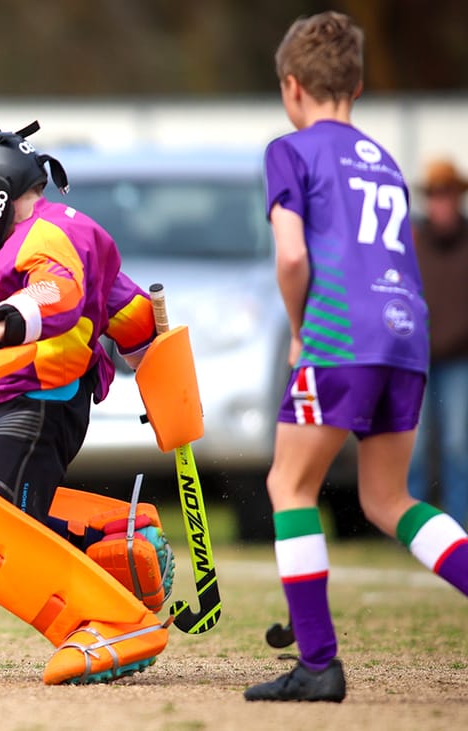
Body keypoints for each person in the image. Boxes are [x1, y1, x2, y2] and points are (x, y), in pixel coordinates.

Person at [0, 121, 175, 685]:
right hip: (34, 403)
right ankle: (121, 542)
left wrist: (0, 329)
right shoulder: (75, 229)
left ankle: (114, 622)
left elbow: (57, 294)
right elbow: (130, 314)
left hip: (40, 402)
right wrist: (157, 363)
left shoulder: (42, 236)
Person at [245, 12, 468, 703]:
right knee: (388, 498)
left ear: (291, 86)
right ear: (359, 86)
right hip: (407, 335)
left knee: (290, 485)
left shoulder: (291, 150)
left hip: (342, 335)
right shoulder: (384, 160)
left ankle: (318, 662)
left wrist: (297, 328)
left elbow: (291, 254)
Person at [408, 159, 468, 527]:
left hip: (460, 359)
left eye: (446, 193)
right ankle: (410, 524)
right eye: (434, 194)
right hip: (418, 359)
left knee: (457, 447)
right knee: (411, 448)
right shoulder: (412, 240)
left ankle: (457, 524)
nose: (440, 202)